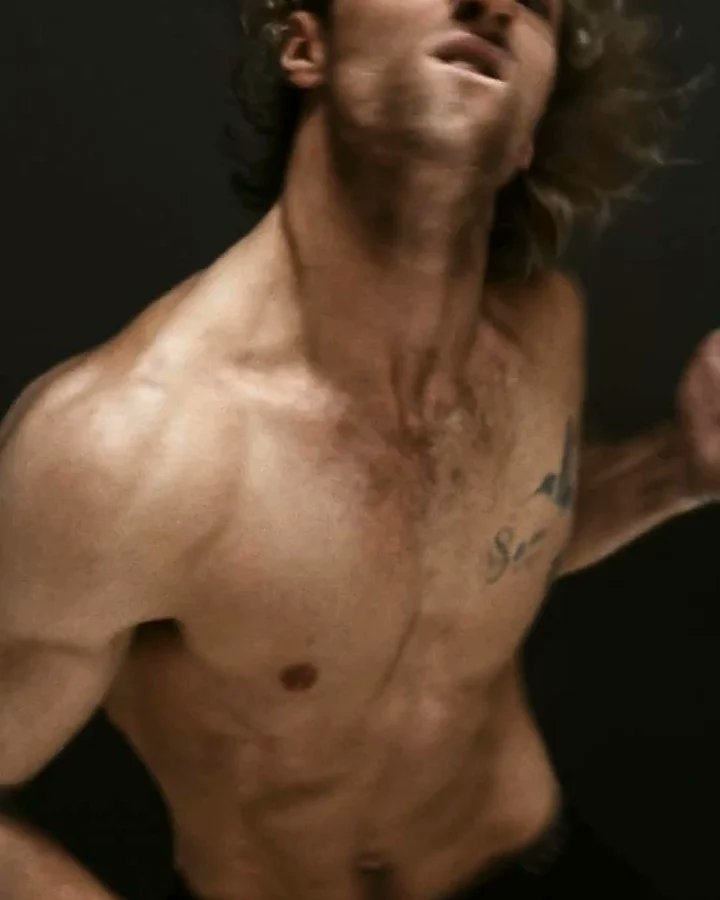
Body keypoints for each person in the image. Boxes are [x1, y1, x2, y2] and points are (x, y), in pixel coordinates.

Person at [1, 0, 718, 898]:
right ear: (306, 47)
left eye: (536, 3)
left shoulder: (543, 334)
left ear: (528, 134)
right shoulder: (127, 450)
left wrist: (680, 470)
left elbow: (502, 550)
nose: (493, 1)